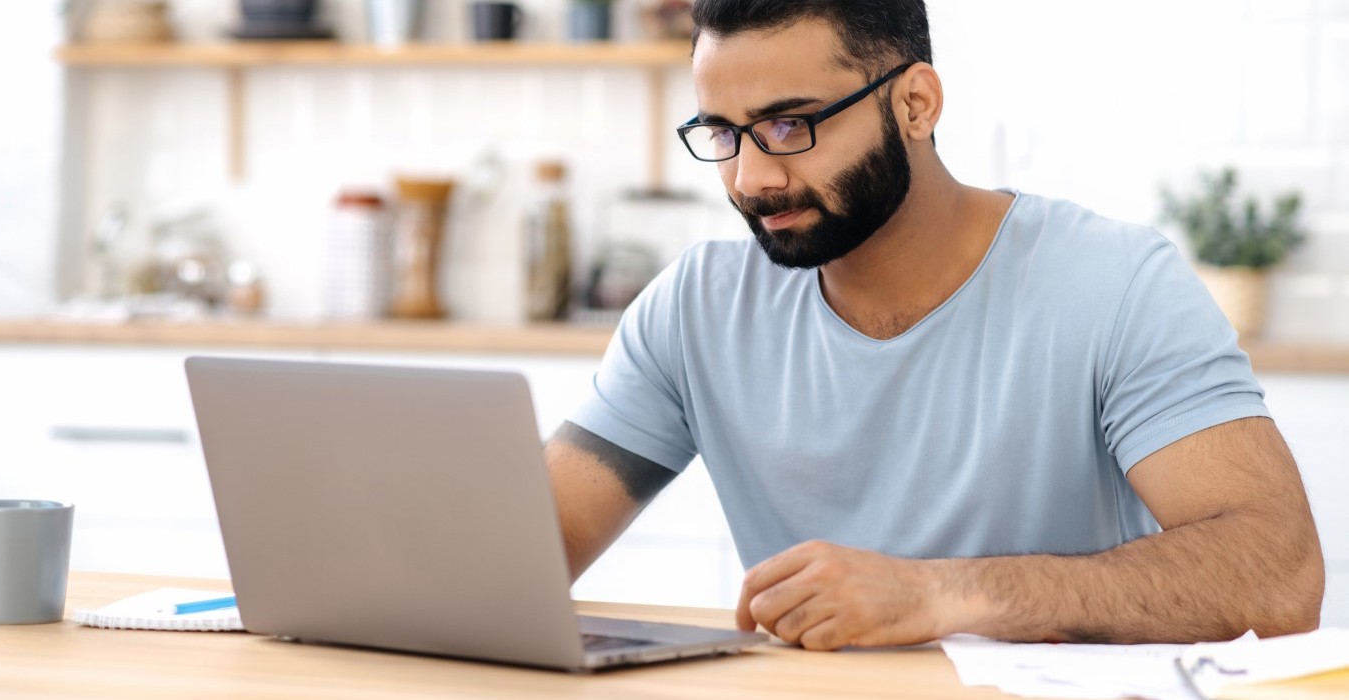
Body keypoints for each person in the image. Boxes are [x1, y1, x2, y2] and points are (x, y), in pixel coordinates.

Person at [544, 0, 1324, 650]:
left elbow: (1280, 579)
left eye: (790, 126)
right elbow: (522, 557)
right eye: (724, 134)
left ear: (916, 103)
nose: (752, 178)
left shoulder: (1114, 283)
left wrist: (943, 594)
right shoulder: (695, 310)